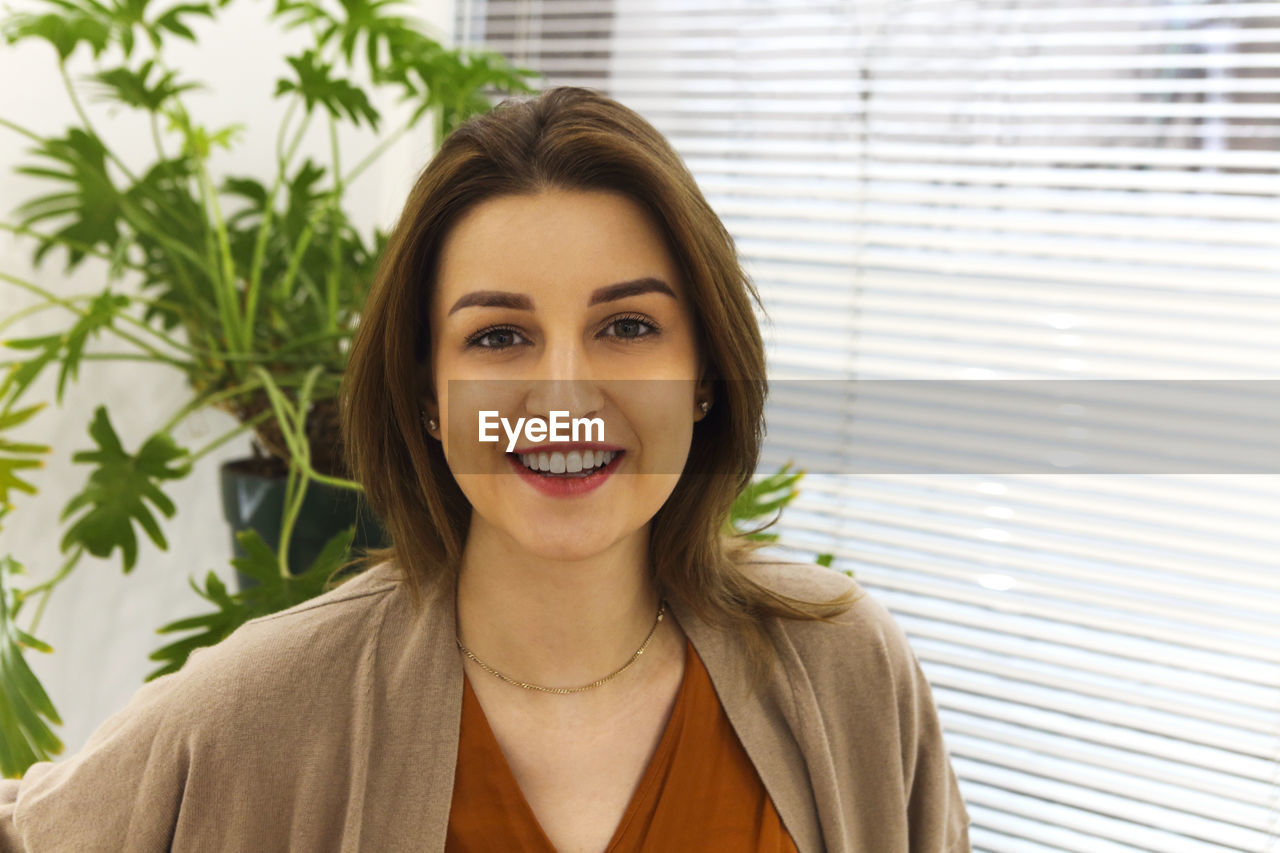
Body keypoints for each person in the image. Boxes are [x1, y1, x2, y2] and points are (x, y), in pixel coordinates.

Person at [0, 86, 971, 852]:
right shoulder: (264, 705)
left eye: (625, 327)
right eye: (499, 335)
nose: (564, 395)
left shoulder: (845, 667)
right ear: (426, 394)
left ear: (706, 374)